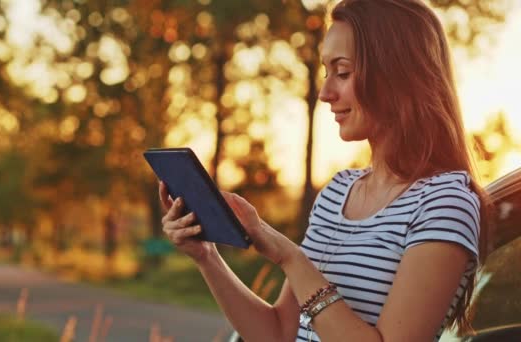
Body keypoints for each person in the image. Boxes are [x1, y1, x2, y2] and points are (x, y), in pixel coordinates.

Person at [158, 0, 493, 340]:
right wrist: (206, 258)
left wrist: (291, 257)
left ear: (397, 75)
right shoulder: (336, 193)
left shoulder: (445, 203)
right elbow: (278, 333)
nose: (325, 93)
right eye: (326, 72)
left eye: (343, 72)